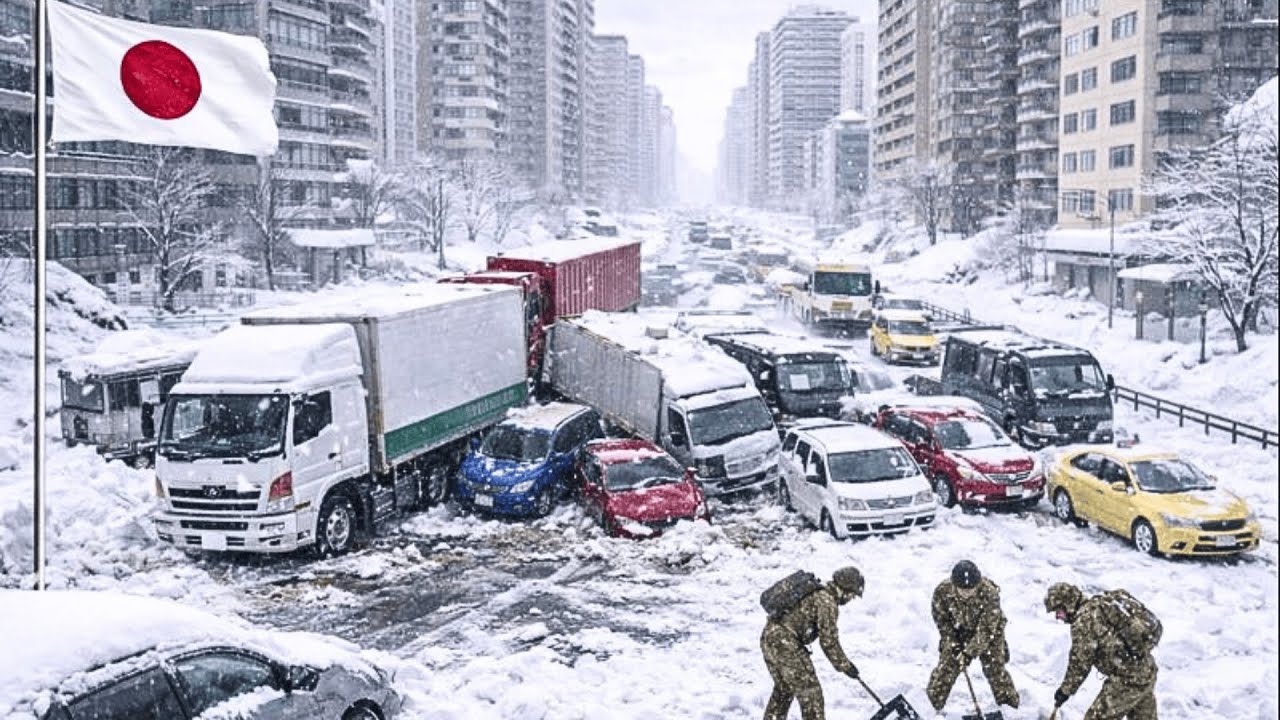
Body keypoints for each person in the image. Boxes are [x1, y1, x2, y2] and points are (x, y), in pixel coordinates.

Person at [760, 567, 865, 720]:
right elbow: (829, 641)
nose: (851, 599)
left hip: (769, 638)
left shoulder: (816, 592)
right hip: (786, 643)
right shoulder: (827, 601)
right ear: (846, 588)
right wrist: (846, 666)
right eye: (852, 595)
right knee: (812, 695)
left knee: (784, 690)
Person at [1044, 582, 1159, 720]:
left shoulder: (1084, 621)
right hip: (1146, 671)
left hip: (1128, 680)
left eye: (1058, 611)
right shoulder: (1100, 605)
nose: (1058, 616)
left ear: (1067, 605)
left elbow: (1079, 664)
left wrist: (1064, 691)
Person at [926, 560, 1020, 712]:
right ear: (954, 585)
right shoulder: (942, 592)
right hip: (959, 631)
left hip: (991, 632)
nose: (967, 594)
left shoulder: (990, 593)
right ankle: (928, 707)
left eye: (971, 590)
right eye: (962, 590)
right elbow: (942, 621)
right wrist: (953, 644)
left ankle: (1010, 708)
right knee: (946, 669)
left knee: (995, 669)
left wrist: (968, 653)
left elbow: (986, 630)